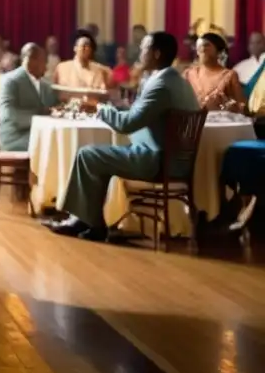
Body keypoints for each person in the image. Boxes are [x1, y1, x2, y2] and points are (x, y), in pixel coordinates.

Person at [48, 32, 200, 241]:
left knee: (88, 155)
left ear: (156, 53)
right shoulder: (178, 81)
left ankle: (88, 222)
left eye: (144, 47)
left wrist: (98, 108)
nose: (139, 51)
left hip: (156, 160)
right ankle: (88, 221)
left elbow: (126, 124)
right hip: (173, 159)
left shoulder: (160, 86)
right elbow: (143, 113)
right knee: (95, 156)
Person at [0, 43, 57, 154]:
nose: (47, 67)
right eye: (44, 62)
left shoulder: (45, 85)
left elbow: (53, 107)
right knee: (55, 143)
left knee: (59, 140)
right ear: (31, 60)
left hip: (36, 134)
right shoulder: (10, 81)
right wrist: (39, 118)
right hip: (14, 138)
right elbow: (8, 115)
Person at [182, 32, 244, 113]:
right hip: (192, 122)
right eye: (200, 46)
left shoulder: (229, 75)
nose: (203, 49)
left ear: (219, 52)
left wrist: (228, 105)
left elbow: (241, 106)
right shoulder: (188, 74)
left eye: (207, 45)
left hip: (220, 122)